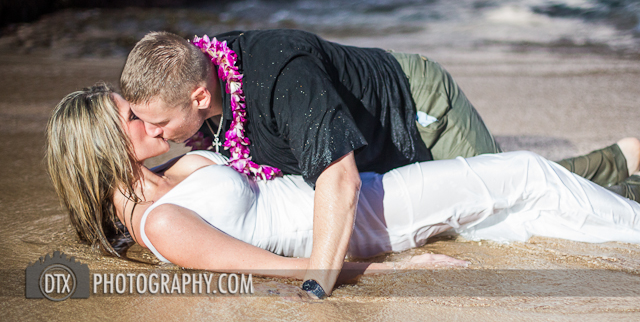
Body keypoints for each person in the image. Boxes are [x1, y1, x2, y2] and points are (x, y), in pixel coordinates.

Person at [118, 29, 640, 297]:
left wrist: (320, 285)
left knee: (510, 191)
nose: (155, 136)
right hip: (367, 151)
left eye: (158, 125)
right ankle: (624, 159)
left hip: (416, 114)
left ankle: (625, 167)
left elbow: (337, 178)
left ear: (200, 97)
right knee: (502, 202)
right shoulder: (198, 77)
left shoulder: (280, 78)